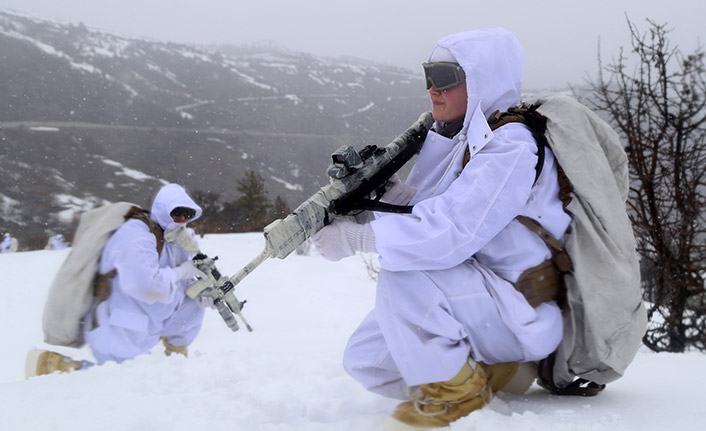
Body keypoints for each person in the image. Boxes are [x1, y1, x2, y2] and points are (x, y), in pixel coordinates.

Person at [311, 28, 571, 428]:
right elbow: (436, 211)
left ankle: (456, 391)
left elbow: (450, 233)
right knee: (367, 360)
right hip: (478, 295)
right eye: (429, 75)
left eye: (447, 76)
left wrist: (353, 238)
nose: (433, 88)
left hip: (518, 303)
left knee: (402, 274)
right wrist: (390, 195)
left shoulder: (512, 145)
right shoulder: (471, 138)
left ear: (483, 78)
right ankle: (497, 372)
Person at [27, 183, 210, 377]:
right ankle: (56, 366)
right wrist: (183, 272)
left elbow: (178, 281)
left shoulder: (176, 240)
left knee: (192, 308)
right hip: (120, 324)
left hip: (149, 317)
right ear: (163, 210)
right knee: (123, 378)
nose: (182, 219)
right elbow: (147, 286)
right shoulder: (137, 234)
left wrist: (200, 292)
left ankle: (174, 363)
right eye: (178, 213)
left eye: (188, 215)